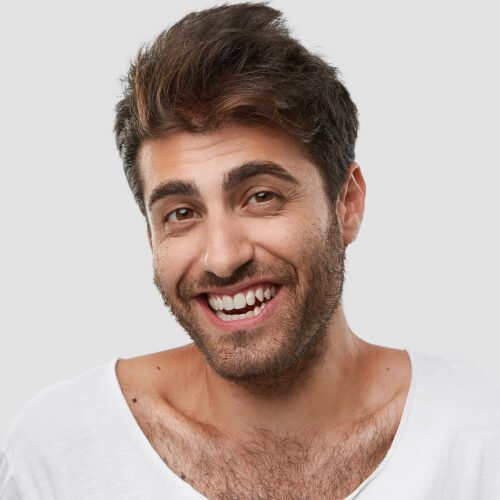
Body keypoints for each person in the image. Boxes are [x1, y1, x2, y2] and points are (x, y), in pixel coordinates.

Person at [1, 3, 499, 499]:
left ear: (347, 203)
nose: (222, 258)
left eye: (261, 197)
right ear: (151, 237)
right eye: (181, 213)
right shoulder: (60, 453)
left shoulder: (479, 434)